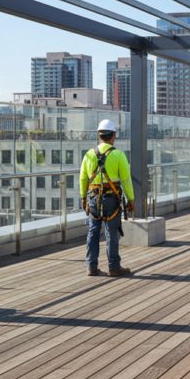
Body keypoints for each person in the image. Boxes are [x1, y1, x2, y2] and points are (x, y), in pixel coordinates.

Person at [81, 119, 134, 277]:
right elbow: (126, 180)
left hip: (93, 197)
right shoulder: (118, 155)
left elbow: (83, 178)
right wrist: (131, 200)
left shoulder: (89, 154)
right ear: (114, 136)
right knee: (111, 231)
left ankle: (91, 266)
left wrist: (83, 197)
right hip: (111, 198)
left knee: (93, 230)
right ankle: (114, 266)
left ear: (99, 135)